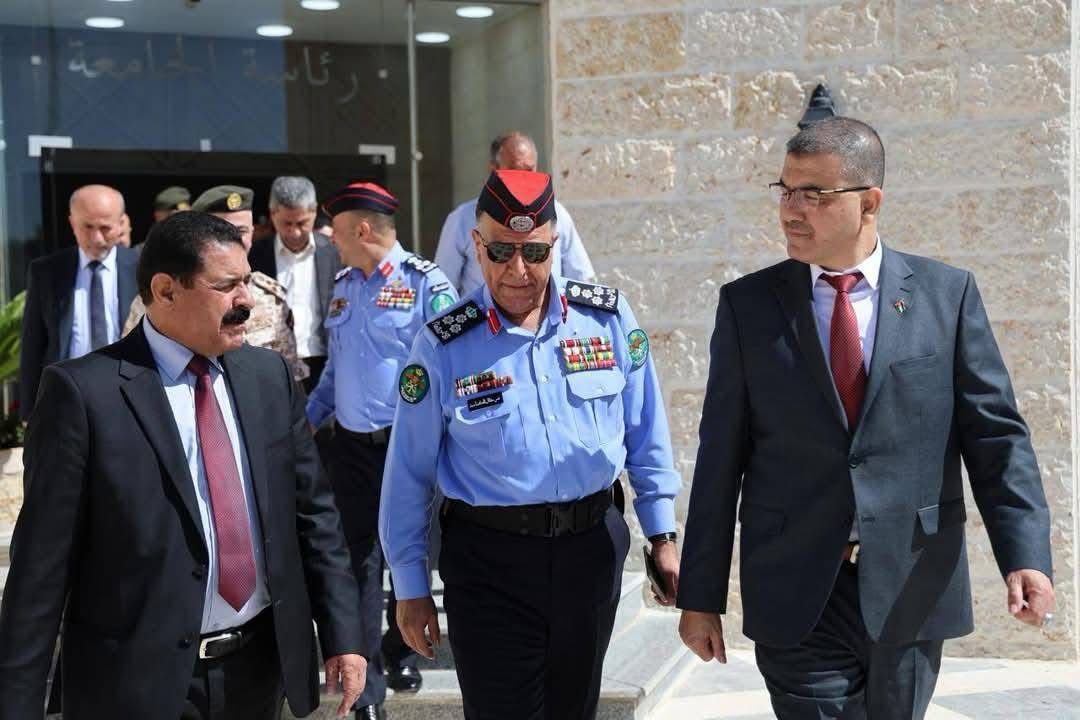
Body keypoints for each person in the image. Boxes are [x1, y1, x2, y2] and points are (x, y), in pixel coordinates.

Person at [677, 117, 1055, 720]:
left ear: (870, 202)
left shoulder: (947, 296)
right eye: (786, 190)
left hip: (912, 584)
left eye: (814, 194)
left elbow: (996, 438)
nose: (791, 210)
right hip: (796, 590)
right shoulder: (748, 307)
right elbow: (720, 458)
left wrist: (1025, 554)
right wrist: (701, 596)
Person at [0, 211, 366, 720]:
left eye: (246, 281)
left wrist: (343, 635)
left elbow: (314, 515)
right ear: (166, 291)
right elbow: (41, 567)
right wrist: (18, 703)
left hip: (258, 674)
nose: (247, 300)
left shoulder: (269, 377)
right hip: (136, 684)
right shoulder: (84, 394)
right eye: (227, 286)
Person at [381, 169, 681, 720]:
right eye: (501, 251)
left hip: (591, 550)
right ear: (477, 246)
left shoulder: (606, 319)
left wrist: (662, 533)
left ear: (555, 245)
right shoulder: (444, 343)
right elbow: (408, 474)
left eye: (535, 252)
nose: (518, 270)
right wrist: (409, 583)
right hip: (490, 560)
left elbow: (646, 430)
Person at [306, 181, 455, 720]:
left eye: (338, 231)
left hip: (407, 448)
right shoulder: (344, 286)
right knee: (356, 566)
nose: (332, 240)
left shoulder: (427, 284)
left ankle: (401, 647)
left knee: (412, 557)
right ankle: (367, 692)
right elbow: (335, 371)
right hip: (351, 449)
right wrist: (303, 423)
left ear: (362, 229)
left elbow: (451, 366)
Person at [124, 185, 308, 383]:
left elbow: (287, 379)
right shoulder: (155, 302)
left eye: (242, 231)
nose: (234, 241)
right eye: (222, 232)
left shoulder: (272, 296)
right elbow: (130, 370)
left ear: (253, 232)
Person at [19, 184, 138, 420]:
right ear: (72, 223)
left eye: (105, 228)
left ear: (121, 224)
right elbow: (33, 344)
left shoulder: (142, 269)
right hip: (64, 398)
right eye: (87, 227)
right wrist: (29, 413)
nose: (96, 238)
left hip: (127, 397)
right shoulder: (47, 271)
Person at [435, 131, 595, 295]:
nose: (523, 178)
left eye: (535, 251)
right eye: (499, 251)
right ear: (493, 170)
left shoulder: (557, 214)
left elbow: (580, 281)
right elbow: (443, 288)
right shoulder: (462, 219)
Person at [249, 176, 342, 392]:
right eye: (286, 224)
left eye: (301, 223)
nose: (294, 232)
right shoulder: (255, 256)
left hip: (323, 364)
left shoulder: (334, 253)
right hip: (272, 365)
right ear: (273, 214)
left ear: (314, 212)